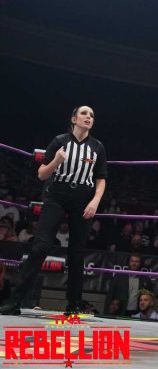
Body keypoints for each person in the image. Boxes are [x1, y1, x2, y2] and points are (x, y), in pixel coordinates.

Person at [0, 106, 106, 316]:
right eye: (84, 113)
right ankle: (15, 301)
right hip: (57, 195)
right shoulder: (59, 141)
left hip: (83, 198)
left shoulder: (97, 147)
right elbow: (41, 174)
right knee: (40, 247)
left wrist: (95, 200)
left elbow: (101, 178)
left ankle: (73, 305)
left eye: (92, 115)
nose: (88, 117)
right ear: (74, 119)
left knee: (77, 253)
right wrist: (56, 161)